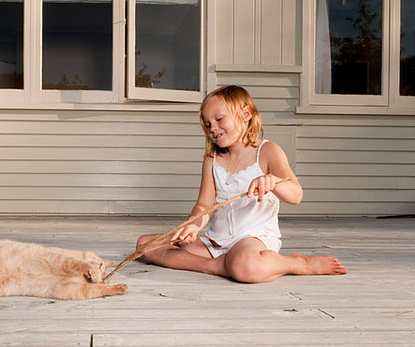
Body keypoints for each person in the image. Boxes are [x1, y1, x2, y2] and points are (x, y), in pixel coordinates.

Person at [138, 85, 347, 283]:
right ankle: (214, 266)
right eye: (208, 124)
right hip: (217, 242)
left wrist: (273, 182)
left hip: (252, 240)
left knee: (246, 267)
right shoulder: (212, 158)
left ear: (246, 114)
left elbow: (296, 195)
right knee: (145, 245)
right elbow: (204, 205)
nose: (213, 128)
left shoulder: (268, 152)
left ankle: (296, 263)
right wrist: (193, 225)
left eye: (220, 119)